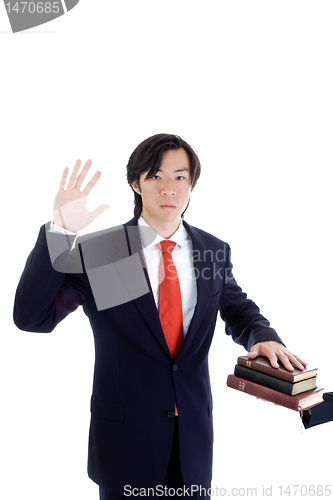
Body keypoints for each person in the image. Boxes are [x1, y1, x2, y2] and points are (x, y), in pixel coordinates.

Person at [14, 134, 307, 499]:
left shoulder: (210, 250)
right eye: (155, 176)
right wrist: (61, 233)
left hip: (192, 444)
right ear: (136, 183)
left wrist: (262, 334)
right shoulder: (104, 253)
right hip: (125, 445)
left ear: (191, 184)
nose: (169, 188)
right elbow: (32, 317)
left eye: (180, 177)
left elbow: (236, 307)